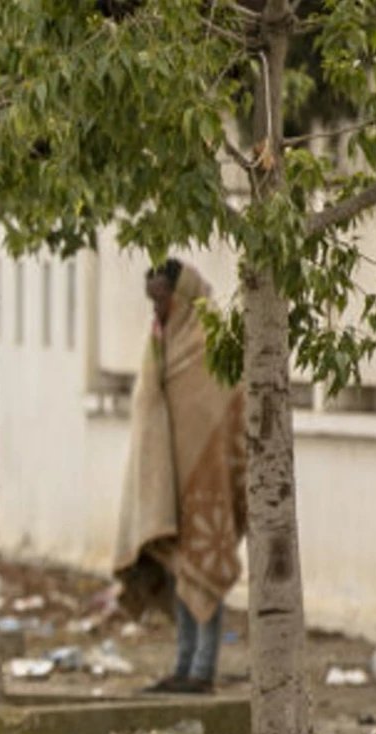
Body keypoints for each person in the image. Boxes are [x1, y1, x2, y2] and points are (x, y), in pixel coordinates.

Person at [113, 259, 247, 695]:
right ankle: (183, 663)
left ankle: (203, 669)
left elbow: (221, 408)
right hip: (170, 480)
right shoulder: (158, 341)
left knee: (202, 571)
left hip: (207, 479)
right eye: (152, 299)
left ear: (181, 295)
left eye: (163, 298)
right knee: (177, 575)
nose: (158, 308)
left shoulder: (211, 341)